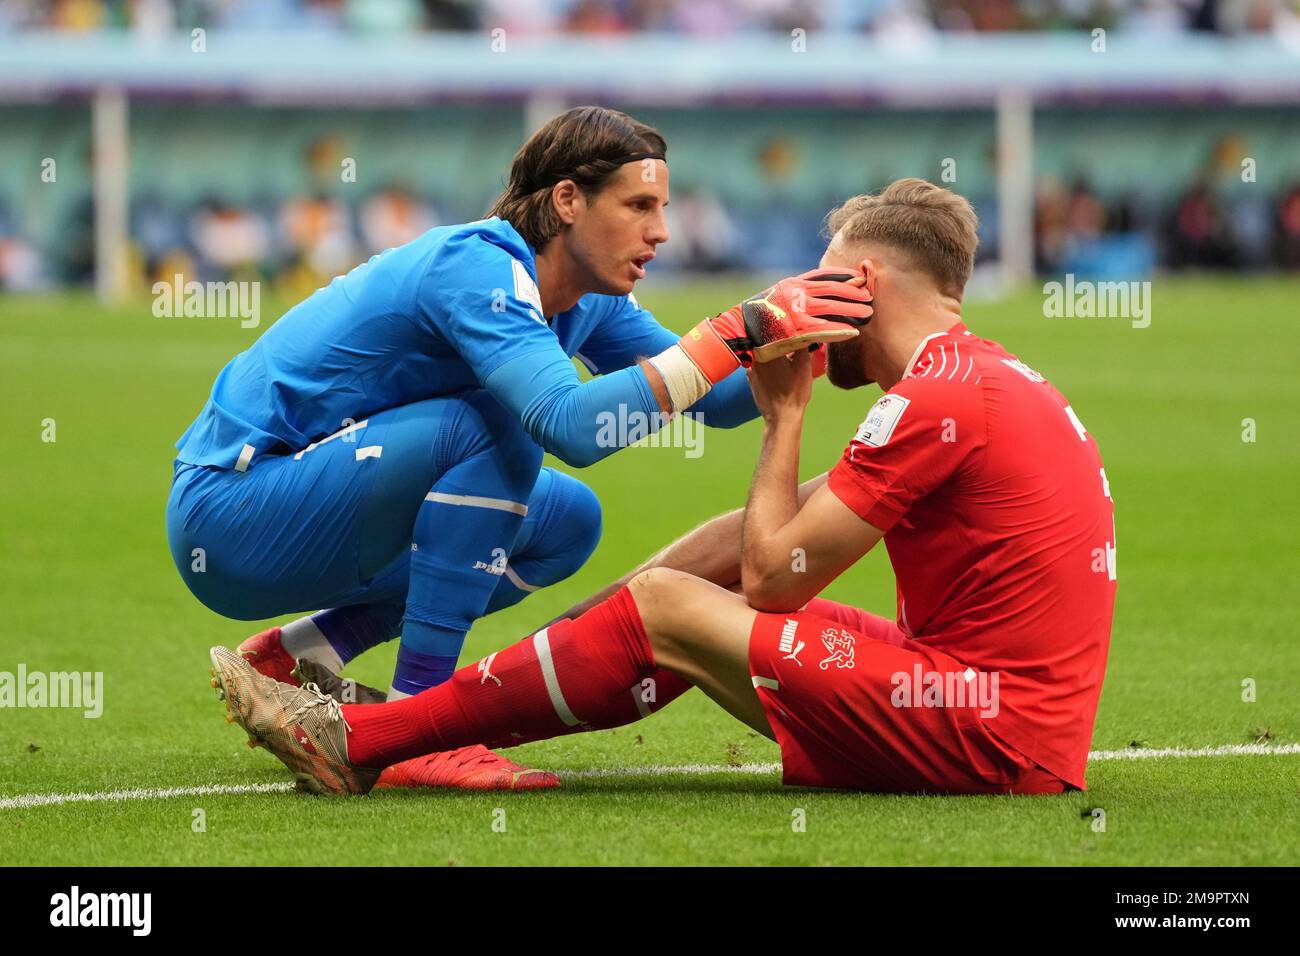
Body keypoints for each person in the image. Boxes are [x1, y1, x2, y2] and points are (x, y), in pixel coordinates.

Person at [208, 178, 1115, 797]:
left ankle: (369, 740)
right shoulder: (975, 375)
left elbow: (776, 581)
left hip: (986, 733)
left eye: (818, 276)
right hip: (982, 706)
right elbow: (761, 541)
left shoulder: (939, 396)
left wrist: (783, 416)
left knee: (672, 605)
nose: (800, 294)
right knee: (708, 557)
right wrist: (747, 353)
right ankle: (454, 709)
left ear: (861, 281)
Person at [169, 105, 871, 791]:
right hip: (233, 512)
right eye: (638, 206)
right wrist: (732, 330)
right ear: (568, 200)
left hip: (316, 509)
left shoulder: (586, 297)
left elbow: (712, 400)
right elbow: (567, 424)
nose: (661, 232)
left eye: (663, 208)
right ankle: (416, 725)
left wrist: (812, 341)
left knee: (567, 522)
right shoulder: (477, 266)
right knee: (495, 429)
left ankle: (301, 655)